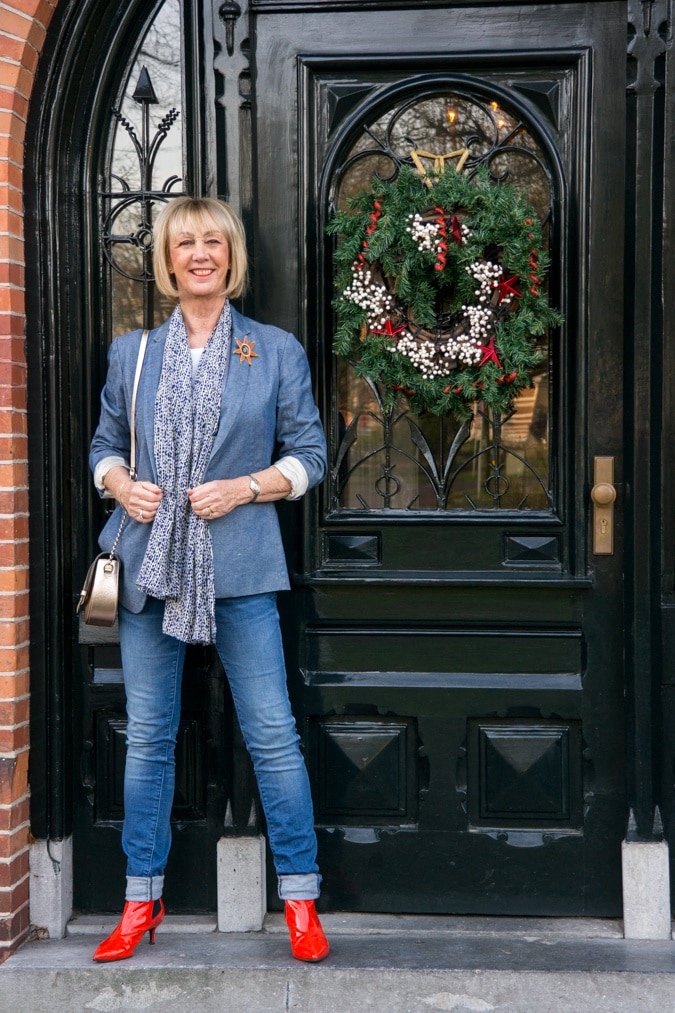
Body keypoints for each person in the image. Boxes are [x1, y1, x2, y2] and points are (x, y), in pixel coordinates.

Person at [88, 196, 329, 963]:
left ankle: (299, 898)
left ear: (230, 256)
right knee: (150, 739)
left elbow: (310, 455)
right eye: (185, 241)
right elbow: (101, 446)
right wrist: (121, 483)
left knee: (272, 736)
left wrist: (246, 487)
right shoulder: (133, 353)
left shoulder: (273, 348)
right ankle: (139, 900)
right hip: (149, 571)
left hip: (243, 568)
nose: (200, 253)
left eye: (213, 241)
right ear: (167, 258)